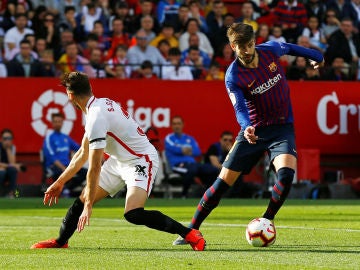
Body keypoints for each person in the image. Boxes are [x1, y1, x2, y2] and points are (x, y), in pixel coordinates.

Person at [173, 22, 324, 246]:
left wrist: (316, 56)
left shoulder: (271, 50)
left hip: (282, 128)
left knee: (285, 176)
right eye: (240, 47)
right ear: (232, 46)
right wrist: (248, 127)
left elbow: (295, 49)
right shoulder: (233, 76)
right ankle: (191, 230)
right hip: (253, 131)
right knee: (222, 183)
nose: (246, 51)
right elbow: (240, 109)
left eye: (250, 45)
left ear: (255, 42)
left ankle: (267, 220)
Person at [31, 71, 205, 251]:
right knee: (81, 200)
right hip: (118, 161)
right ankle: (60, 242)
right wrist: (60, 182)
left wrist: (90, 205)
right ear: (90, 88)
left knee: (133, 213)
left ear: (70, 96)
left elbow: (95, 166)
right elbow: (83, 152)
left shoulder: (95, 117)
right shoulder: (96, 108)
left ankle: (190, 234)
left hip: (140, 160)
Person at [164, 116, 218, 198]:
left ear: (183, 125)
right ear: (172, 126)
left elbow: (197, 152)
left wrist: (183, 150)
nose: (177, 126)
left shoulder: (190, 138)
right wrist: (184, 150)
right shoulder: (169, 138)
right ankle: (184, 195)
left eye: (179, 124)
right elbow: (174, 149)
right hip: (177, 166)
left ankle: (208, 195)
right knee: (192, 170)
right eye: (174, 124)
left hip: (193, 164)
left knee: (213, 170)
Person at [42, 113, 86, 197]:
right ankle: (63, 190)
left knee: (85, 173)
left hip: (67, 166)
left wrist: (92, 148)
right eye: (55, 122)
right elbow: (52, 158)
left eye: (59, 121)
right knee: (61, 172)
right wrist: (64, 169)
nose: (57, 124)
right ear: (52, 123)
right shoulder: (49, 137)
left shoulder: (65, 137)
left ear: (62, 123)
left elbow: (80, 148)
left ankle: (66, 189)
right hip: (54, 167)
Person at [0, 129, 25, 198]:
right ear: (1, 139)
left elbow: (12, 163)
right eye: (5, 138)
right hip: (1, 171)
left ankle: (11, 193)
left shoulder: (12, 147)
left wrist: (8, 149)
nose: (7, 140)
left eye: (9, 138)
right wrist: (12, 165)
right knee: (2, 172)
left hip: (7, 170)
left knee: (13, 170)